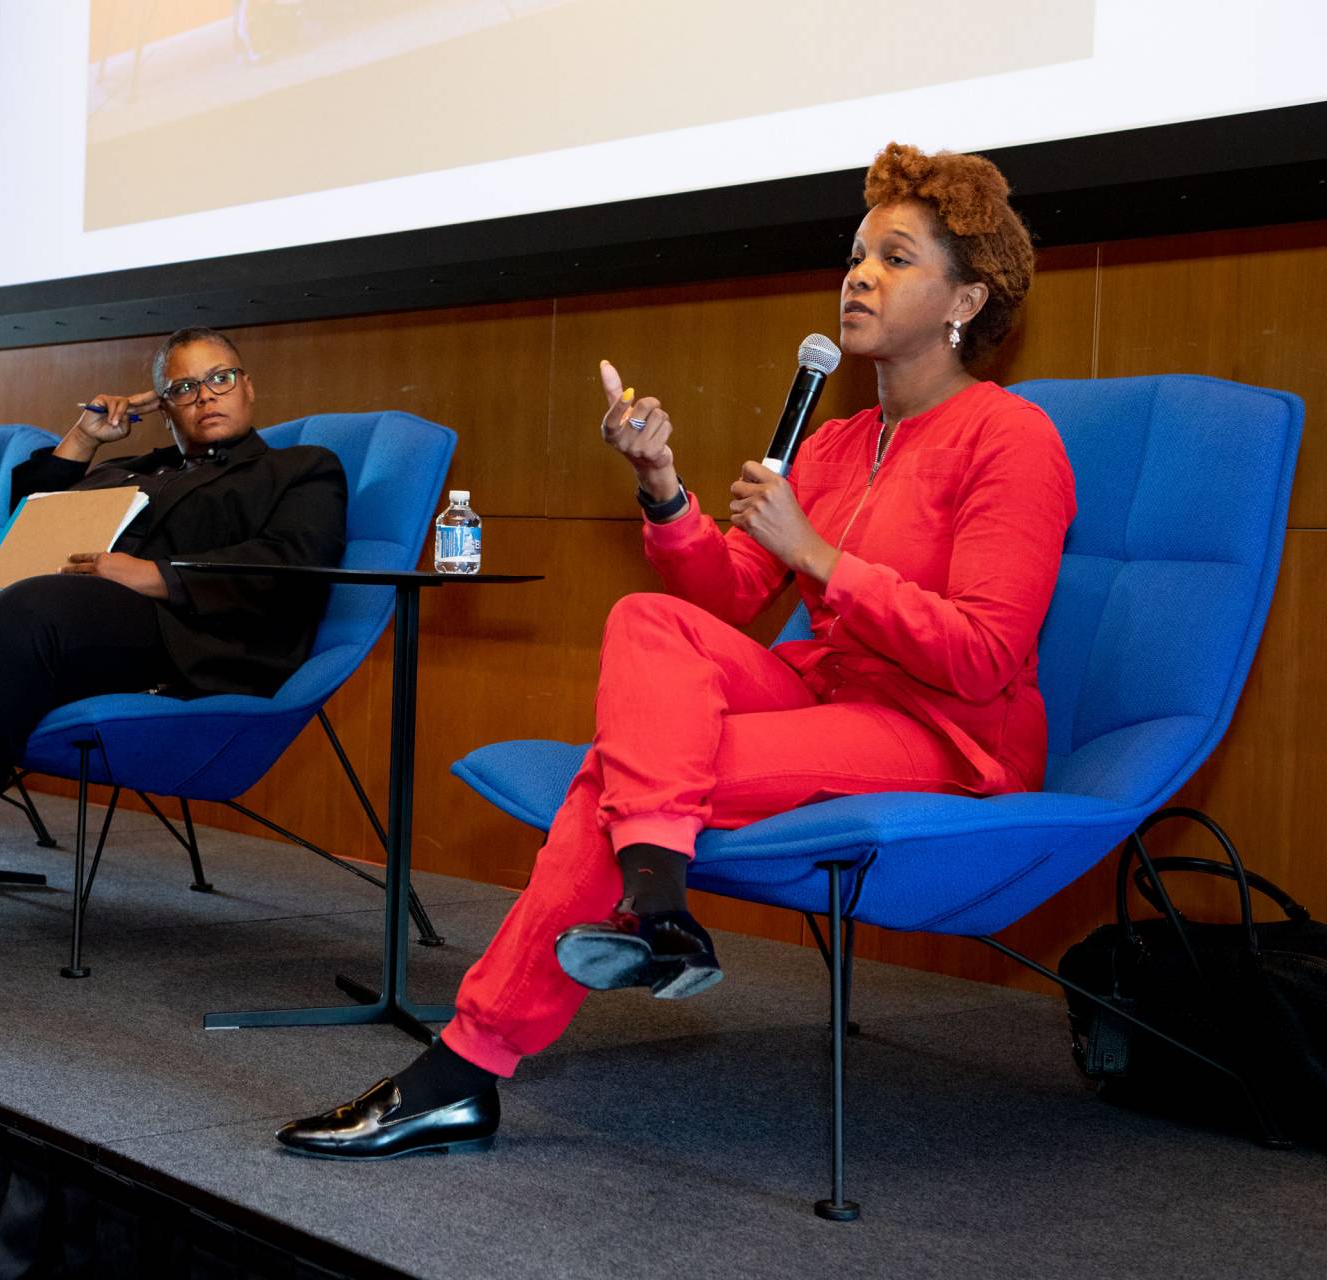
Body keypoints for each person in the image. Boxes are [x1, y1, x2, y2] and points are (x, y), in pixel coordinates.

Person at [276, 143, 1077, 1160]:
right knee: (645, 622)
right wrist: (661, 483)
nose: (859, 276)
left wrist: (819, 558)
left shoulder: (1012, 438)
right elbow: (733, 592)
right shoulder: (833, 443)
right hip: (826, 689)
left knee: (618, 772)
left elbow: (982, 652)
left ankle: (471, 1060)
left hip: (944, 729)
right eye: (855, 255)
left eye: (896, 259)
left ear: (968, 299)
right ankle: (655, 902)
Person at [0, 326, 347, 959]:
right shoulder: (130, 469)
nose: (206, 396)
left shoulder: (300, 468)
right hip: (44, 628)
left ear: (248, 387)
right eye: (183, 387)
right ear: (161, 405)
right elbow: (29, 516)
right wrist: (84, 440)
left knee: (32, 608)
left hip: (182, 638)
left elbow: (295, 561)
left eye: (220, 378)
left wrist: (154, 575)